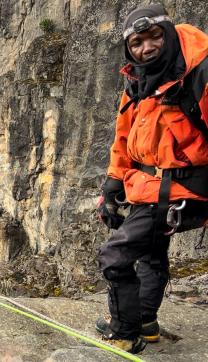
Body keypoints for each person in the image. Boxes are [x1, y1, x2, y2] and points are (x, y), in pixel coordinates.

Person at [96, 3, 208, 354]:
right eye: (137, 42)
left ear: (169, 33)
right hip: (149, 186)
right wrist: (113, 183)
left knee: (114, 256)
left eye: (154, 37)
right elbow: (124, 134)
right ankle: (145, 320)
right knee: (152, 254)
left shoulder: (199, 73)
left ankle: (125, 332)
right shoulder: (138, 79)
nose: (147, 47)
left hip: (184, 188)